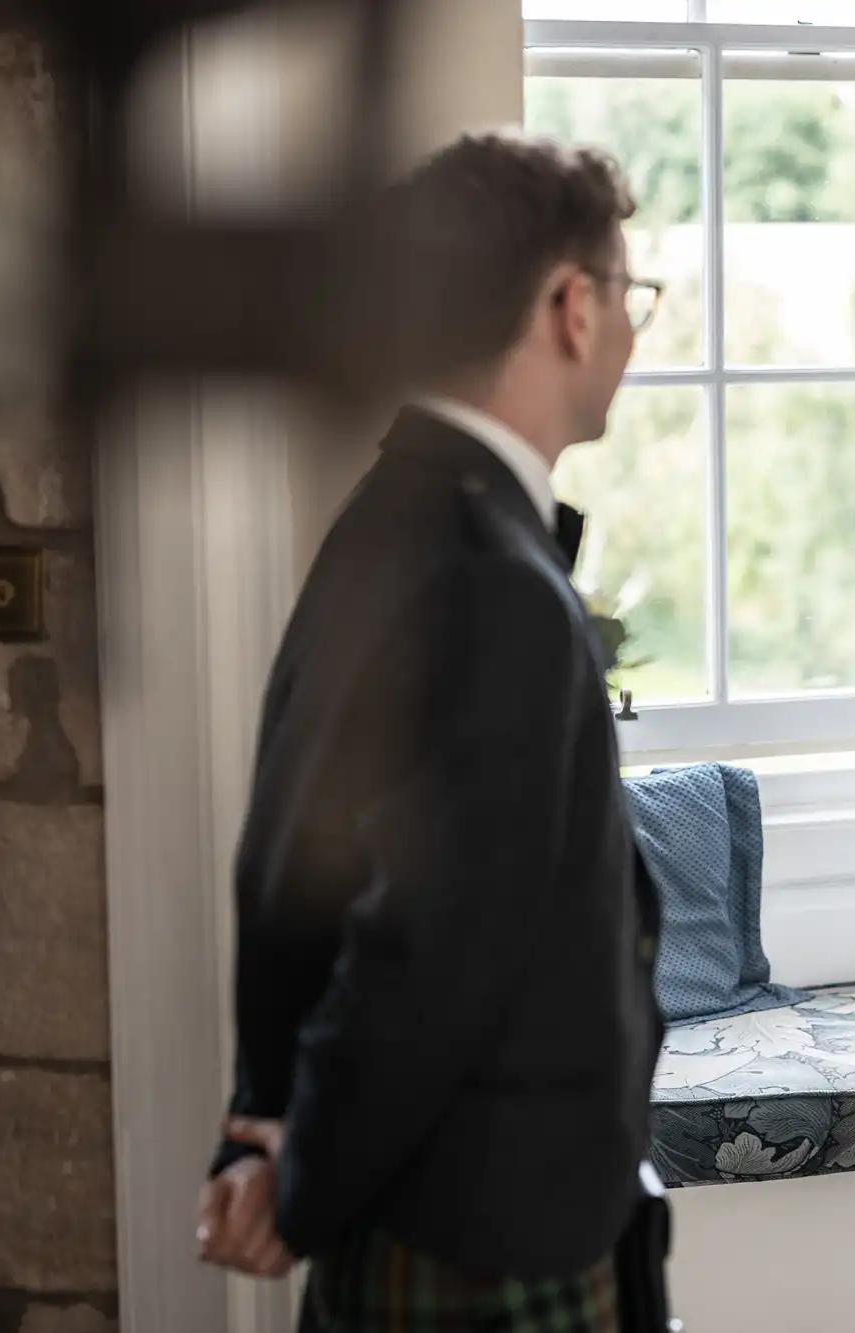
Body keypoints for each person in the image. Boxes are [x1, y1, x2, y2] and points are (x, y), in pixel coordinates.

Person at [192, 132, 672, 1333]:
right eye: (630, 295)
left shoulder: (390, 514)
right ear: (569, 305)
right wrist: (297, 1181)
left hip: (431, 1204)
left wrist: (265, 1129)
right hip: (483, 1229)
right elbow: (425, 953)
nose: (628, 329)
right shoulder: (485, 576)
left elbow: (286, 868)